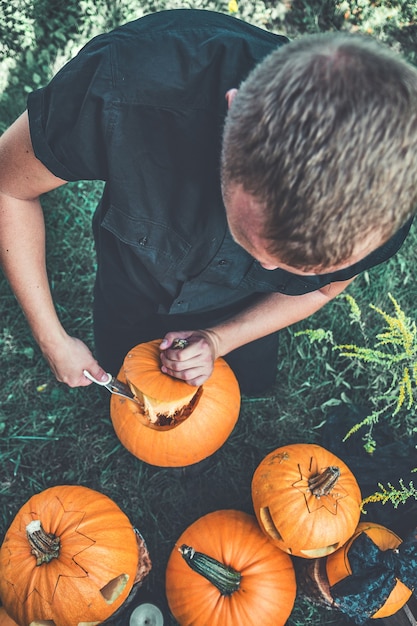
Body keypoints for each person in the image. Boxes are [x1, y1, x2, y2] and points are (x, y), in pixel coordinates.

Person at [1, 9, 417, 396]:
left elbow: (323, 292)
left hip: (251, 316)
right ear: (235, 120)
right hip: (128, 287)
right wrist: (51, 337)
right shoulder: (124, 86)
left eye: (299, 270)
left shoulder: (388, 195)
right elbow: (8, 188)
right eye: (257, 243)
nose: (269, 268)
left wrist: (222, 338)